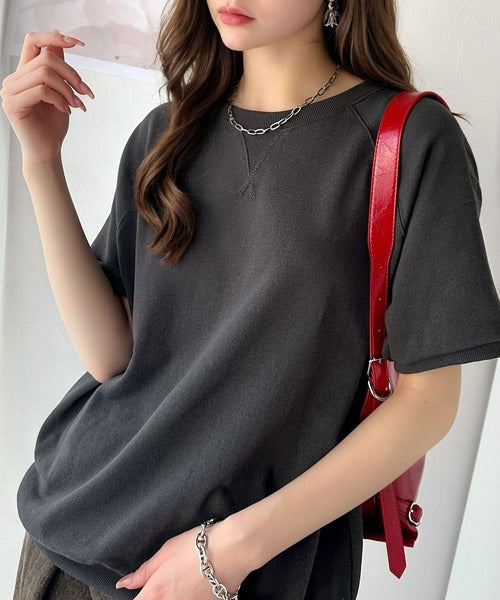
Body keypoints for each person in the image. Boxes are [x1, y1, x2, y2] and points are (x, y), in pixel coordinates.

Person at [2, 1, 500, 599]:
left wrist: (229, 551)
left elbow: (429, 401)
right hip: (72, 536)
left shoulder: (409, 142)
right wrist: (41, 161)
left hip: (251, 574)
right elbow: (113, 358)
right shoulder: (167, 133)